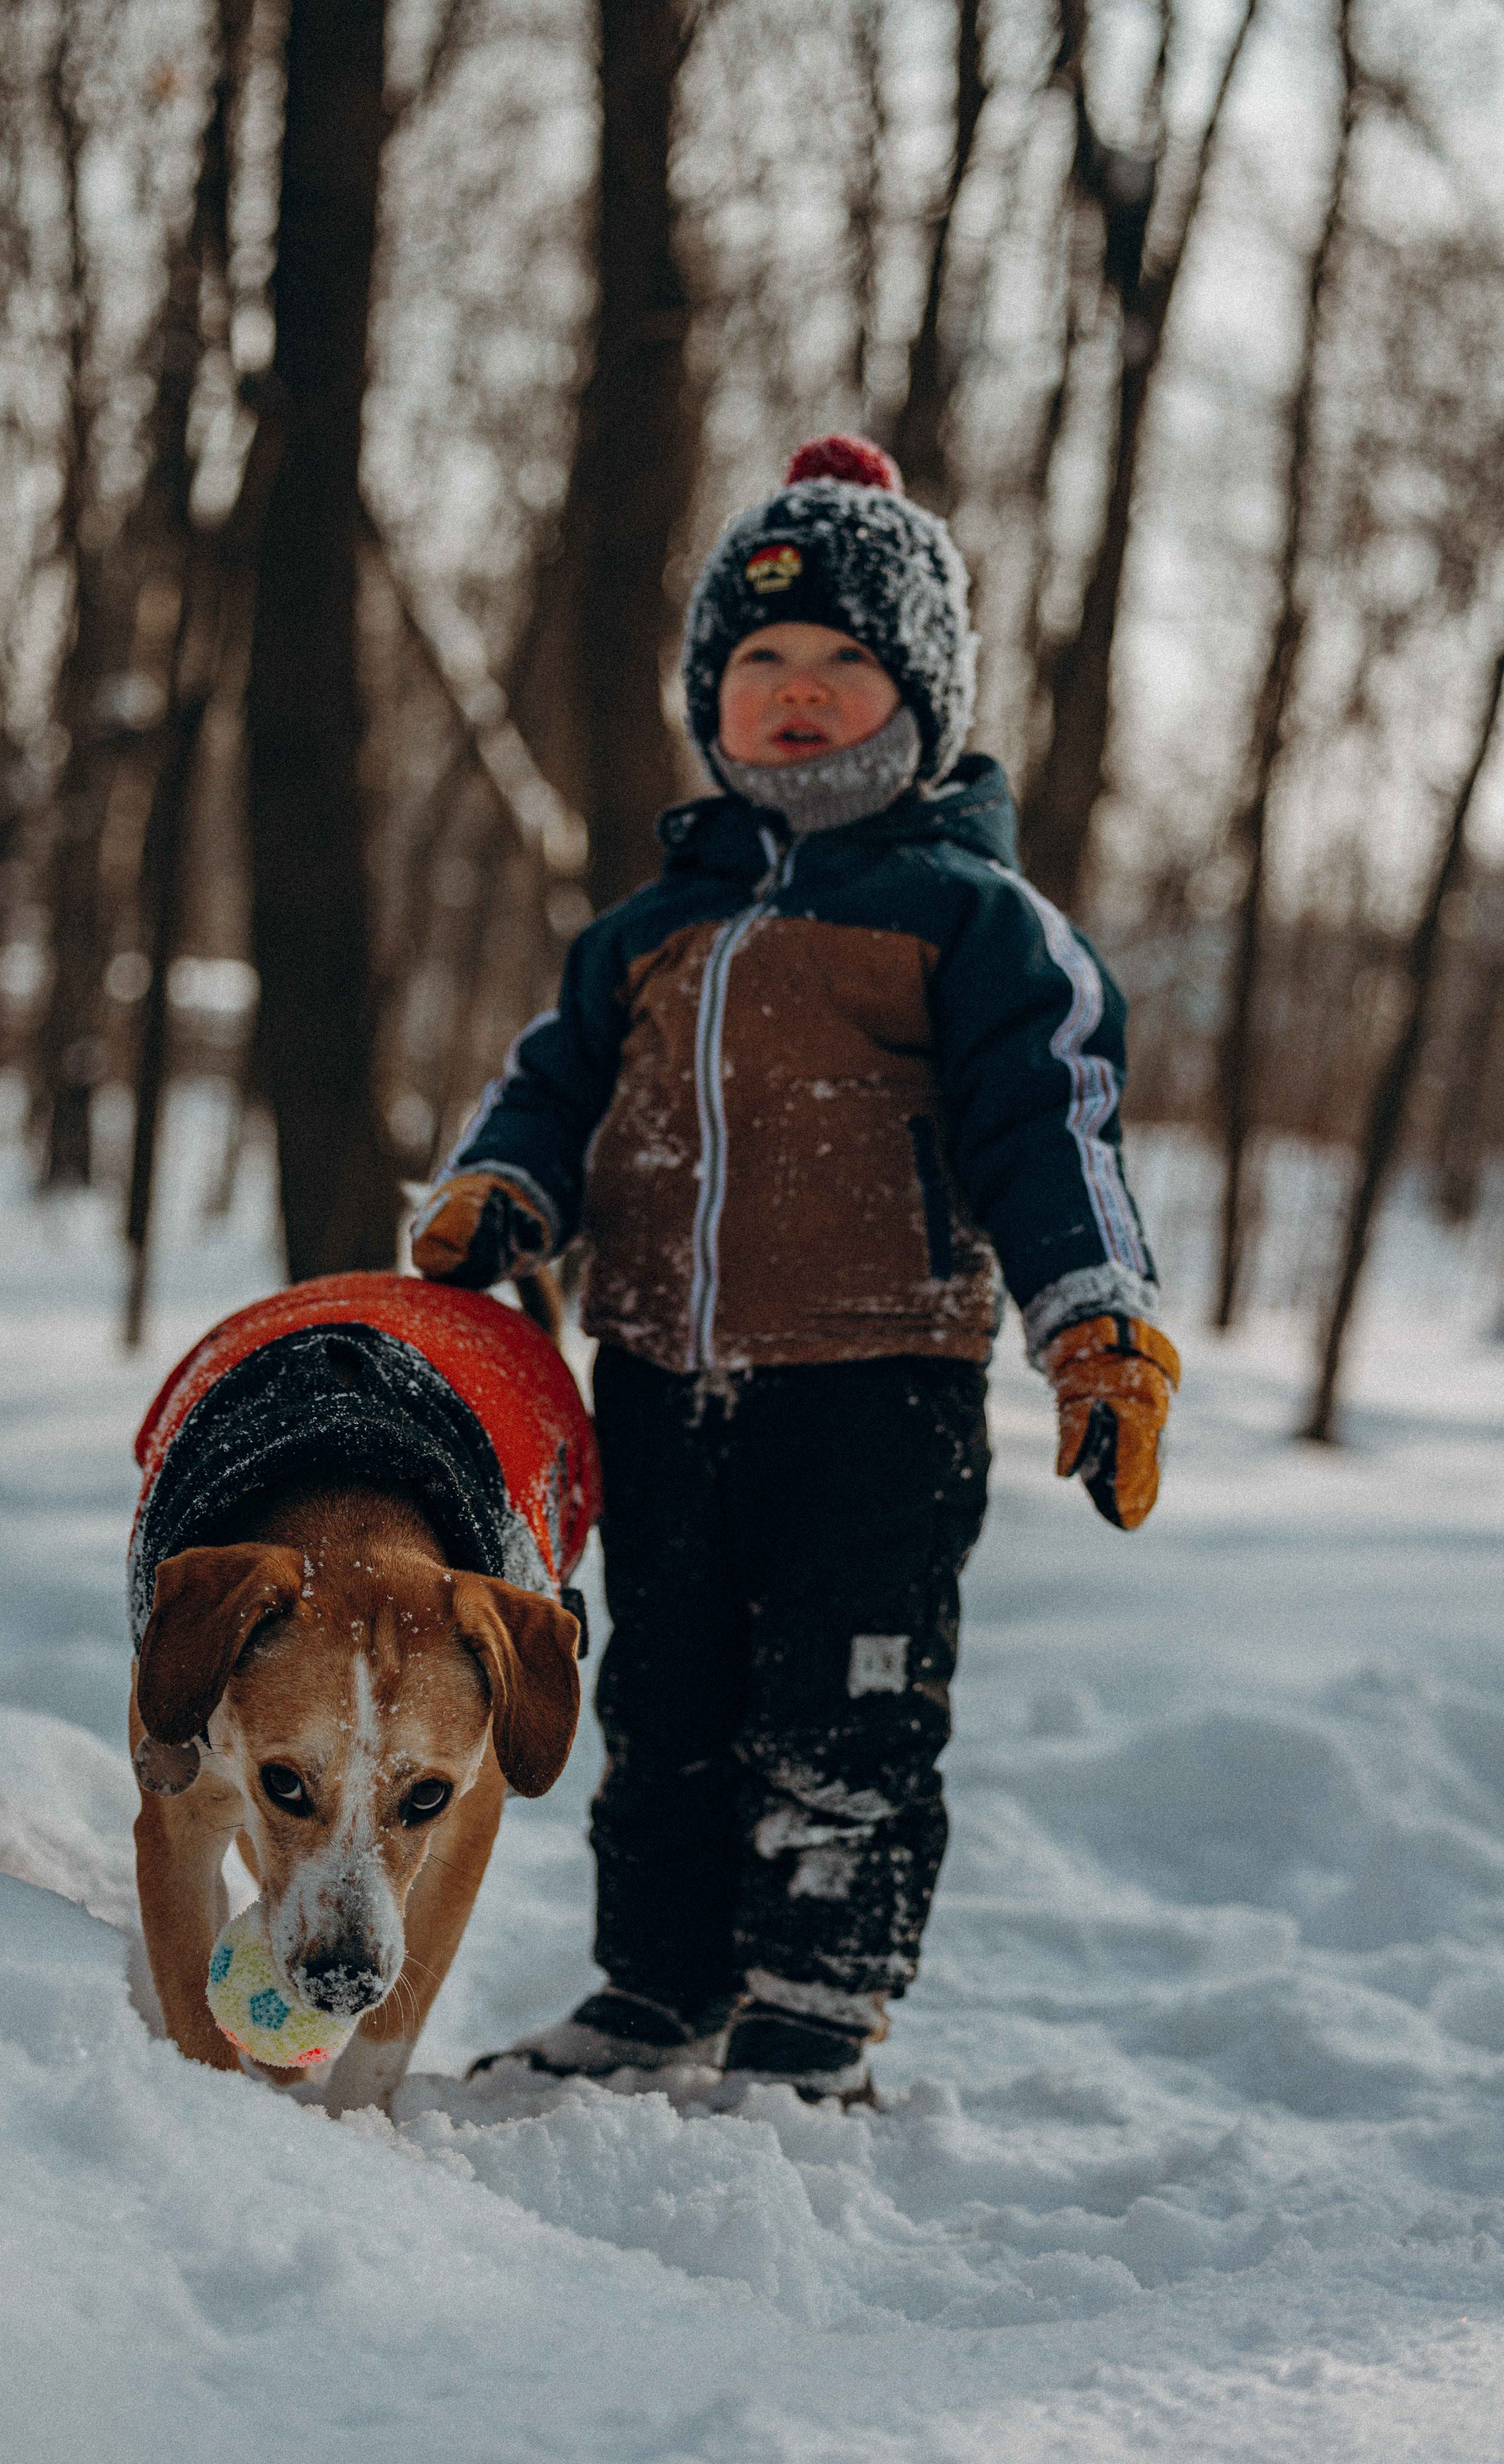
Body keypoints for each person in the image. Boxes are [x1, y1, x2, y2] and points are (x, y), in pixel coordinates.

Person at [411, 434, 1179, 2103]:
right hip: (661, 1383)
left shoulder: (971, 920)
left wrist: (1097, 1321)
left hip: (876, 1386)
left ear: (926, 696)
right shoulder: (644, 933)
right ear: (713, 694)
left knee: (848, 1700)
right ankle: (658, 1979)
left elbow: (1055, 1126)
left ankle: (815, 2002)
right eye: (762, 660)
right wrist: (498, 1191)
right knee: (665, 1699)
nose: (802, 691)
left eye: (848, 660)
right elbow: (550, 1089)